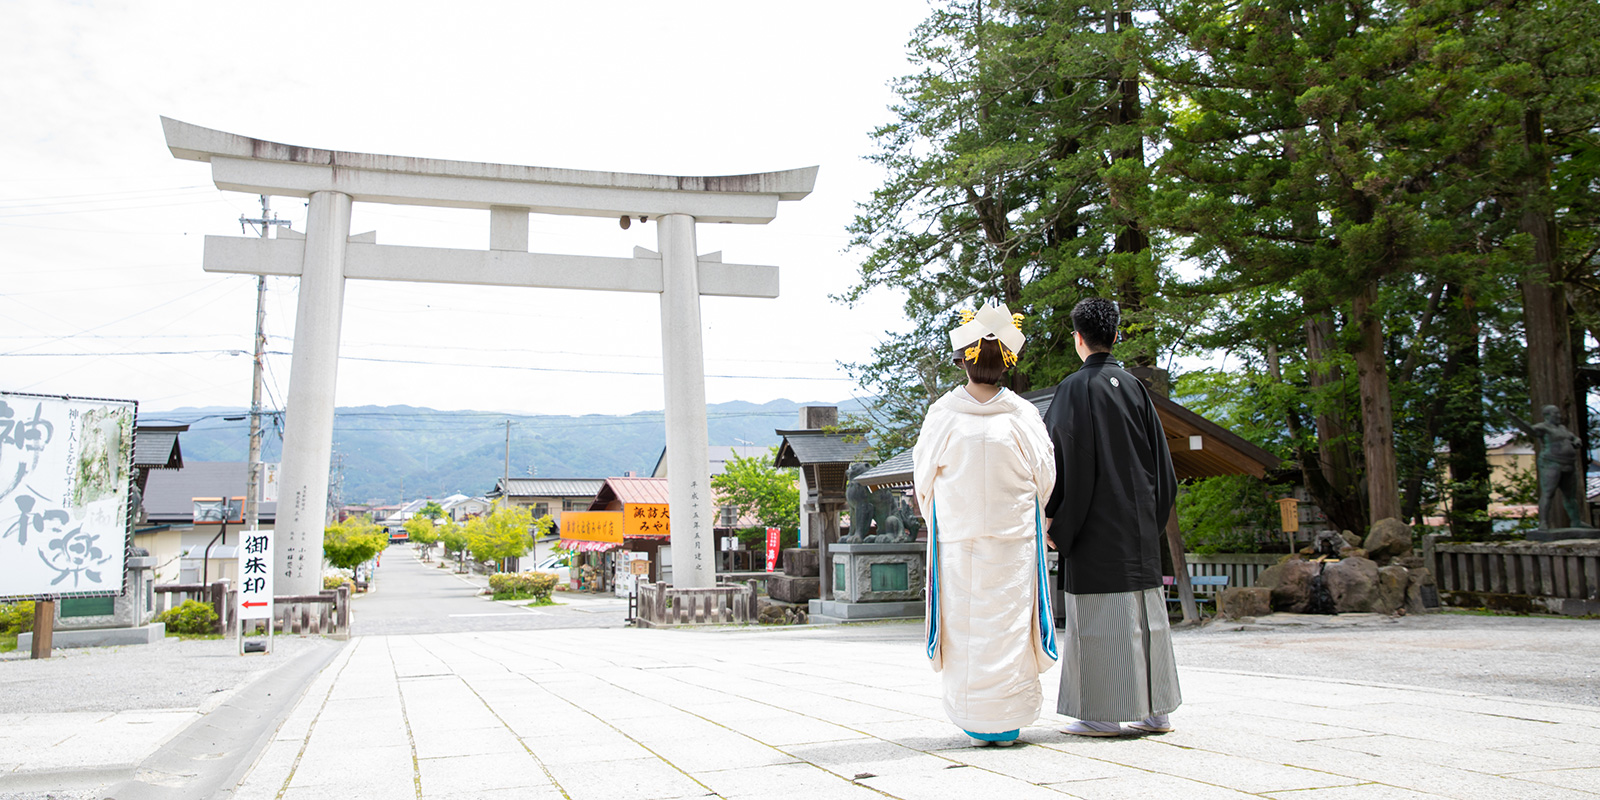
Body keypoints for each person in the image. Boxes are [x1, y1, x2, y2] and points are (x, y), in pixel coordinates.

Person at [913, 300, 1058, 747]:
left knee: (967, 630)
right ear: (1006, 365)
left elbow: (923, 480)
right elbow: (1045, 477)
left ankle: (975, 719)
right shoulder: (1021, 415)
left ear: (962, 360)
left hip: (959, 542)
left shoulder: (944, 414)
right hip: (1013, 543)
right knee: (1009, 629)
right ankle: (1008, 719)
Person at [1044, 297, 1181, 737]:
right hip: (1139, 530)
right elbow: (1164, 469)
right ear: (1116, 335)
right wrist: (1150, 521)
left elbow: (1061, 465)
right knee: (1148, 621)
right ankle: (1156, 711)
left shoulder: (1074, 389)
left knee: (1100, 624)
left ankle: (1102, 714)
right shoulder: (1136, 388)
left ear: (1078, 339)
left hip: (1094, 531)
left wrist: (1055, 525)